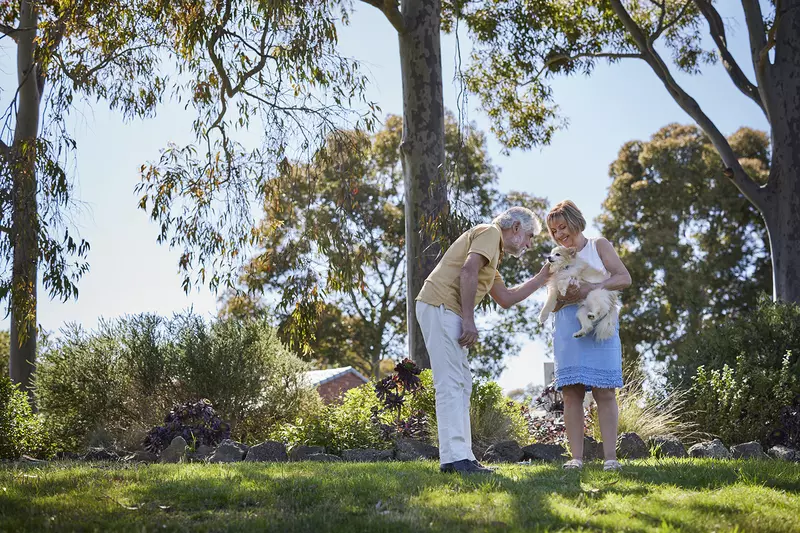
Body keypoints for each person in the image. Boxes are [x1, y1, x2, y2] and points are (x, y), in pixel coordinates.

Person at [415, 207, 550, 474]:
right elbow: (468, 271)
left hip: (445, 309)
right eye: (529, 236)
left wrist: (542, 278)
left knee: (462, 384)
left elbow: (506, 298)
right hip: (442, 306)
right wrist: (468, 320)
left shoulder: (493, 253)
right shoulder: (490, 232)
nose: (529, 244)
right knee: (451, 384)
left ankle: (462, 457)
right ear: (515, 229)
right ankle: (455, 459)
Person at [546, 200, 631, 471]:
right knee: (571, 394)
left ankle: (610, 459)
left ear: (576, 222)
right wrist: (563, 297)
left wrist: (589, 288)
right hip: (568, 326)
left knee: (605, 392)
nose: (559, 234)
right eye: (554, 230)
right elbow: (552, 296)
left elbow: (623, 278)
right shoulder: (556, 255)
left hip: (600, 321)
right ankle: (576, 459)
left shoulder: (599, 246)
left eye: (563, 226)